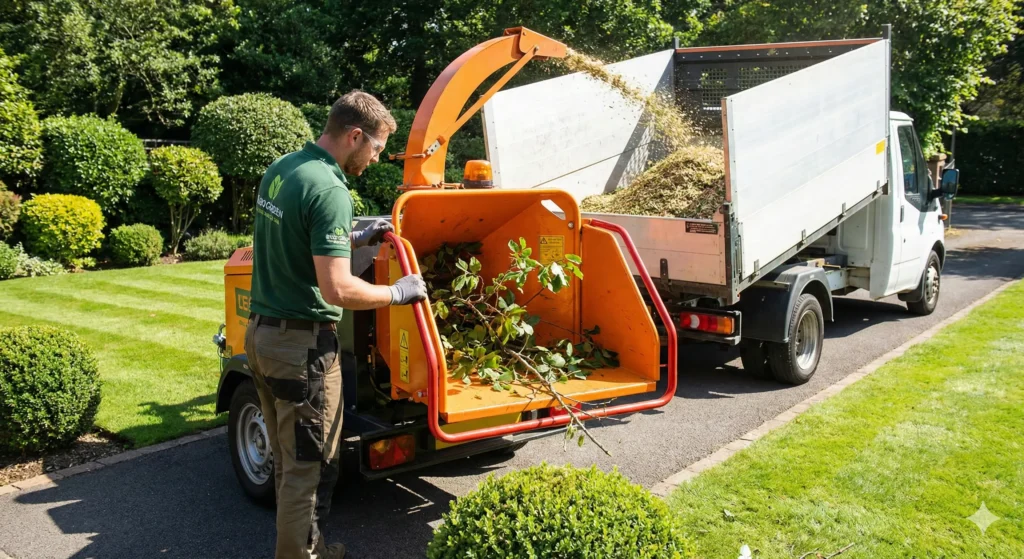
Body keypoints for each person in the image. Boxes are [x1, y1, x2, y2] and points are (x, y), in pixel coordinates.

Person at [244, 90, 426, 559]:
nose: (376, 158)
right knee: (311, 469)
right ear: (354, 136)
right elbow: (338, 290)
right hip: (302, 351)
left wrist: (350, 235)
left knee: (288, 461)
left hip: (262, 337)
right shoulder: (330, 189)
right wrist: (397, 293)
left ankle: (315, 549)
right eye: (377, 148)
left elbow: (298, 233)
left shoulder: (284, 168)